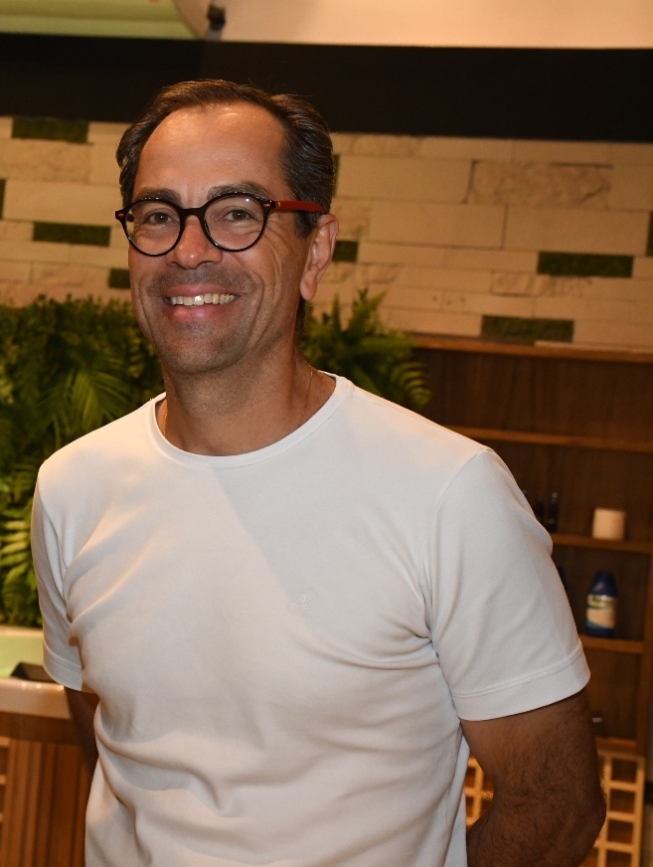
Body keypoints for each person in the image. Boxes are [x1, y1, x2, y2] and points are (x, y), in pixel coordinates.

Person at [31, 79, 606, 867]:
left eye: (238, 212)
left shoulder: (449, 494)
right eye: (159, 215)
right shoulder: (72, 488)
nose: (190, 250)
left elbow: (559, 805)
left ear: (317, 248)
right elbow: (112, 741)